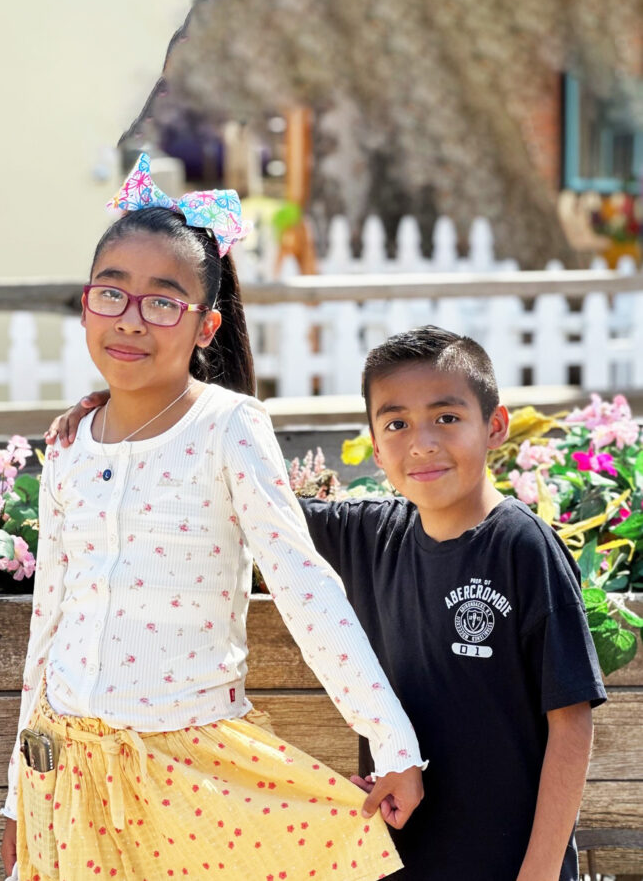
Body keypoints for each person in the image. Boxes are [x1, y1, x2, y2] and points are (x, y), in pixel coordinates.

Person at [0, 155, 427, 881]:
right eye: (113, 294)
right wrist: (17, 793)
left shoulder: (229, 427)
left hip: (190, 770)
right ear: (84, 305)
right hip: (64, 773)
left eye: (163, 302)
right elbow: (49, 621)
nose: (132, 320)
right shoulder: (69, 444)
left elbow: (304, 587)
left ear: (206, 325)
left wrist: (393, 745)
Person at [54, 323, 607, 881]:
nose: (421, 442)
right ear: (372, 439)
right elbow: (232, 490)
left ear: (495, 426)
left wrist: (537, 873)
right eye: (396, 423)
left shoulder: (521, 546)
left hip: (512, 864)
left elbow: (571, 722)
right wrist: (128, 409)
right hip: (398, 858)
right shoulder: (365, 536)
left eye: (446, 417)